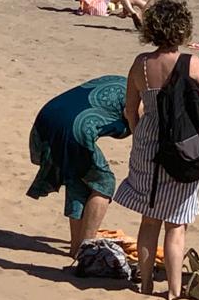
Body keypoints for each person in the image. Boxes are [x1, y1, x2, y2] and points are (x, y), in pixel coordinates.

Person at [114, 0, 199, 299]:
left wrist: (139, 134)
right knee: (176, 224)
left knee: (149, 220)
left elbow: (131, 109)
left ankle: (144, 284)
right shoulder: (192, 64)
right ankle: (173, 289)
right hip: (183, 145)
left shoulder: (141, 63)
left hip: (148, 142)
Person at [26, 77, 131, 259]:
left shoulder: (122, 81)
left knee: (76, 178)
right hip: (74, 127)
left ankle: (76, 248)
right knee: (103, 182)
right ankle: (86, 249)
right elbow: (139, 126)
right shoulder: (142, 98)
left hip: (48, 117)